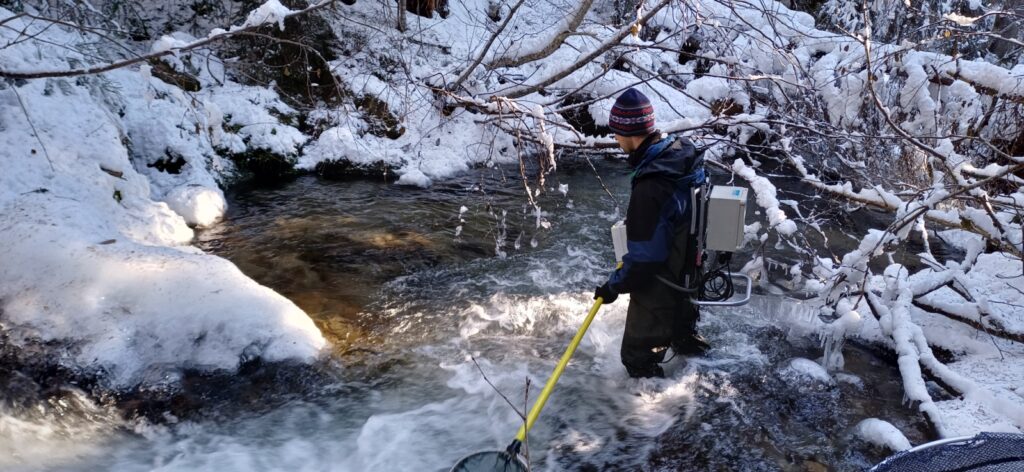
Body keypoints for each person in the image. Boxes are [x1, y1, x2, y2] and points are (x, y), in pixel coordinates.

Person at [594, 88, 709, 378]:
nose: (616, 140)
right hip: (688, 276)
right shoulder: (680, 157)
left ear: (629, 132)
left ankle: (652, 415)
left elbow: (645, 260)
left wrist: (613, 287)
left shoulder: (652, 186)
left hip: (661, 286)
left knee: (637, 358)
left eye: (616, 133)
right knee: (684, 341)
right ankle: (703, 382)